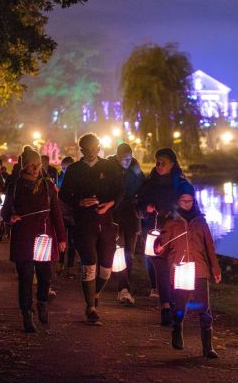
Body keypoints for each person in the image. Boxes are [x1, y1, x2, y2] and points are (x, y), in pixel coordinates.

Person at [0, 148, 67, 333]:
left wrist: (61, 237)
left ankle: (42, 302)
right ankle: (27, 314)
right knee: (26, 278)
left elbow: (56, 213)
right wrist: (10, 217)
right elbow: (4, 211)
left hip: (44, 238)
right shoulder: (16, 185)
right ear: (24, 165)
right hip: (24, 239)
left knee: (45, 276)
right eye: (32, 164)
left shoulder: (47, 186)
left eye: (38, 164)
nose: (36, 167)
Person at [59, 133, 124, 324]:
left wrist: (109, 204)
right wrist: (79, 201)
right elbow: (63, 195)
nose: (90, 152)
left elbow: (120, 190)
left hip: (106, 222)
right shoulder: (74, 169)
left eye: (94, 147)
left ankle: (94, 293)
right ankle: (91, 308)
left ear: (99, 146)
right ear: (81, 150)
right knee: (90, 263)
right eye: (86, 149)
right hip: (83, 223)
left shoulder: (110, 167)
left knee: (106, 268)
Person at [156, 183, 221, 358]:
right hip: (180, 270)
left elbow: (210, 247)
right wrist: (158, 246)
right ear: (177, 201)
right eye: (183, 200)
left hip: (200, 270)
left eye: (190, 200)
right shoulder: (171, 222)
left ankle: (208, 347)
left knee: (204, 308)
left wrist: (215, 268)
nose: (187, 203)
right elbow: (161, 245)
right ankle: (177, 328)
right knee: (180, 306)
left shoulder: (201, 222)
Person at [136, 148, 191, 325]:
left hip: (176, 234)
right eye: (157, 162)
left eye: (163, 163)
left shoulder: (182, 185)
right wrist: (146, 209)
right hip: (154, 231)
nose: (159, 166)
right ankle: (165, 306)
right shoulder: (149, 184)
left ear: (172, 164)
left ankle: (175, 303)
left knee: (175, 267)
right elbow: (138, 208)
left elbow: (191, 208)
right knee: (161, 268)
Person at [108, 143, 144, 305]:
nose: (127, 162)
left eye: (129, 158)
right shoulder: (110, 169)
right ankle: (123, 287)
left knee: (130, 251)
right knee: (119, 249)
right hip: (115, 214)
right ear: (117, 157)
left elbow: (144, 187)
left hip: (131, 214)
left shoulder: (135, 169)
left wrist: (141, 205)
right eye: (124, 159)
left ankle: (125, 285)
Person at [55, 156, 77, 278]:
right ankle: (60, 263)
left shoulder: (77, 178)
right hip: (62, 212)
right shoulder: (59, 176)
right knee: (62, 239)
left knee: (73, 241)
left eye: (66, 168)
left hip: (73, 213)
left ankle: (70, 266)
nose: (64, 170)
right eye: (62, 168)